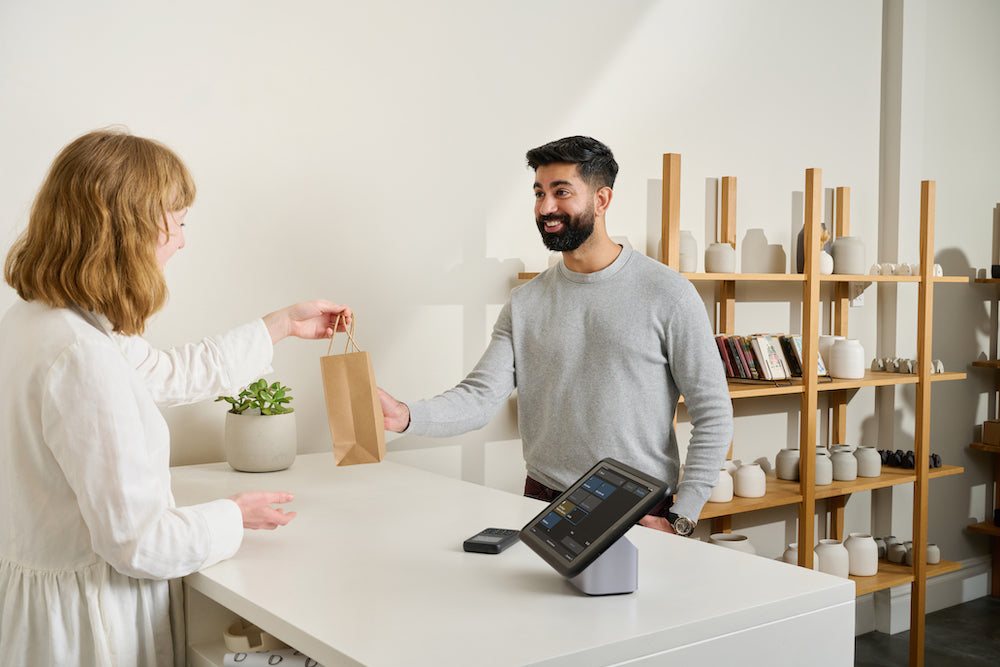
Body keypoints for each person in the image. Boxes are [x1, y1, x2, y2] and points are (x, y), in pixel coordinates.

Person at [0, 128, 352, 666]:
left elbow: (164, 373)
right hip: (90, 627)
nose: (183, 240)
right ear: (130, 228)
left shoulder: (40, 322)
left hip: (46, 608)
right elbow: (139, 543)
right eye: (179, 222)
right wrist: (232, 516)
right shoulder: (80, 355)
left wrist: (280, 325)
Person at [379, 136, 733, 536]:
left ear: (602, 200)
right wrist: (407, 415)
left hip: (636, 508)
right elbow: (479, 397)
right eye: (539, 193)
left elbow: (713, 412)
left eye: (561, 192)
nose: (545, 208)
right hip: (541, 501)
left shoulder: (668, 293)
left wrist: (682, 516)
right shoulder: (526, 301)